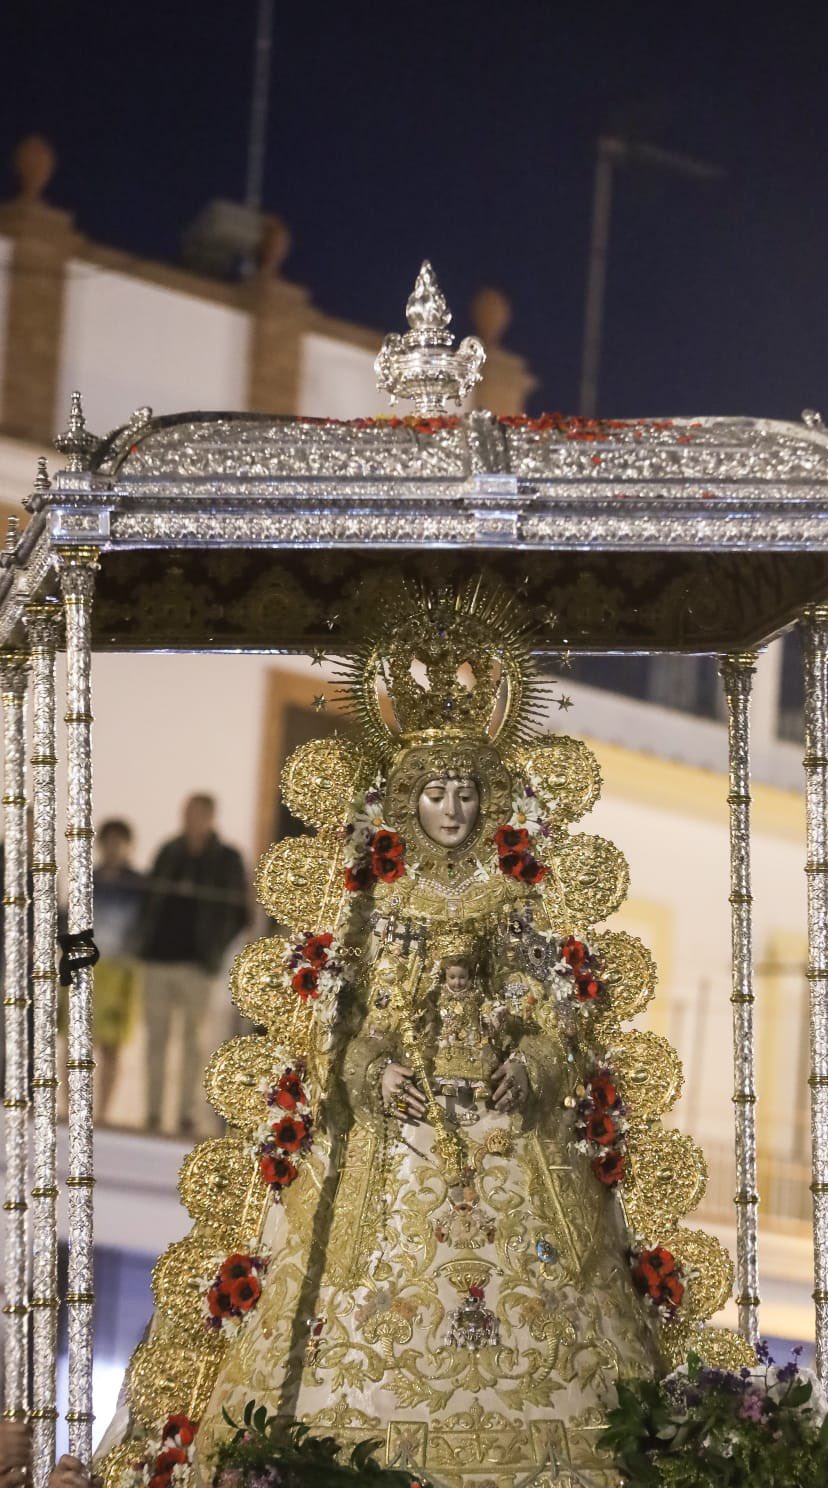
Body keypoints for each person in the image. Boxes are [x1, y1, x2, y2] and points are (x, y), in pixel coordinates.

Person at [96, 590, 738, 1488]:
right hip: (393, 1146)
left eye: (468, 791)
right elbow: (347, 1024)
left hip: (514, 1143)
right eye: (435, 791)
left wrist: (533, 1063)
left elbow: (550, 1016)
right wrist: (373, 1071)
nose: (452, 807)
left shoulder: (515, 902)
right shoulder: (375, 904)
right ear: (408, 799)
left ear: (489, 799)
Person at [137, 795, 249, 1135]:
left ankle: (186, 1112)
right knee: (156, 1038)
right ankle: (153, 1112)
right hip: (159, 958)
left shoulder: (227, 859)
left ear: (211, 817)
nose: (191, 820)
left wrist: (214, 947)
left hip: (198, 963)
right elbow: (149, 898)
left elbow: (237, 911)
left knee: (193, 1041)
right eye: (187, 814)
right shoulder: (169, 851)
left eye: (198, 815)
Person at [90, 820, 144, 1125]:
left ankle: (104, 1112)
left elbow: (145, 927)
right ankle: (73, 1108)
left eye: (119, 842)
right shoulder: (88, 878)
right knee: (78, 1041)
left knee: (112, 1046)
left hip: (121, 970)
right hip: (89, 966)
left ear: (128, 846)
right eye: (108, 842)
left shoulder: (138, 883)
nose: (113, 848)